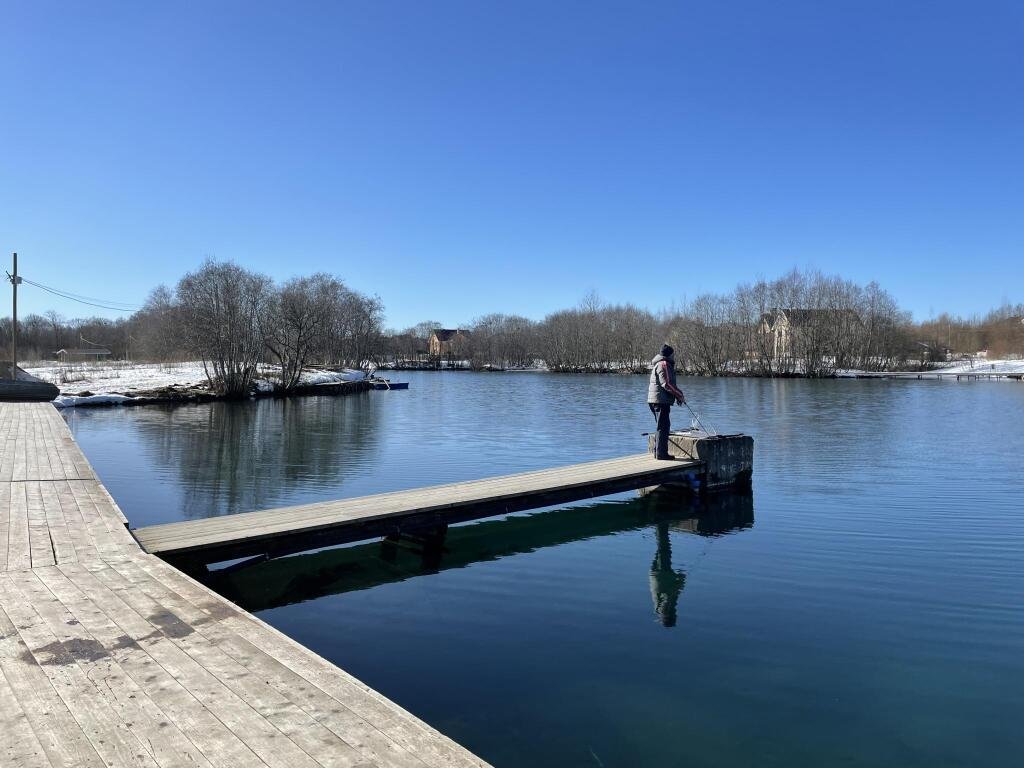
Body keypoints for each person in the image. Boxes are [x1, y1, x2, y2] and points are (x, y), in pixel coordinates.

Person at [647, 344, 685, 460]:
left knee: (661, 426)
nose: (674, 356)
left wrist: (677, 397)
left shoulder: (661, 363)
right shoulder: (664, 364)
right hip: (660, 401)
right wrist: (680, 395)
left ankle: (658, 452)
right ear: (669, 354)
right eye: (673, 354)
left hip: (657, 400)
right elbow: (667, 384)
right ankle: (661, 454)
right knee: (663, 427)